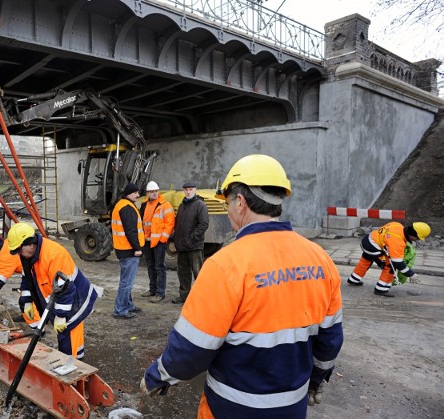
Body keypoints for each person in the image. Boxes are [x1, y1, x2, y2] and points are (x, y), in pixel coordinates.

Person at [141, 154, 343, 418]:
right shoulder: (320, 259)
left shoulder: (225, 265)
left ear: (240, 202)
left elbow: (193, 348)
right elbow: (330, 340)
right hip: (292, 407)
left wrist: (160, 376)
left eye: (226, 204)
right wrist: (315, 379)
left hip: (231, 407)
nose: (227, 211)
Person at [0, 223, 99, 359]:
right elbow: (27, 278)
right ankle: (78, 361)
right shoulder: (28, 254)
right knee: (72, 337)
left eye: (20, 250)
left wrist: (61, 316)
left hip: (75, 299)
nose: (19, 255)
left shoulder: (53, 255)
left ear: (30, 244)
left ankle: (72, 367)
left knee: (67, 336)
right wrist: (27, 301)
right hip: (62, 297)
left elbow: (66, 289)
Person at [347, 221, 430, 297]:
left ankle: (353, 279)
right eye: (418, 238)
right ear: (413, 235)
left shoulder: (397, 225)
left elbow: (386, 237)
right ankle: (381, 289)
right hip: (373, 247)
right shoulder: (398, 242)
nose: (417, 240)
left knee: (366, 260)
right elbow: (397, 263)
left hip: (368, 240)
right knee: (390, 266)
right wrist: (411, 274)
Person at [171, 181, 208, 304]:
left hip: (194, 246)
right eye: (186, 190)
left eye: (191, 189)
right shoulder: (182, 206)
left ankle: (201, 298)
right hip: (182, 246)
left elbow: (204, 224)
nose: (188, 192)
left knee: (198, 273)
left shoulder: (200, 205)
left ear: (195, 190)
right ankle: (184, 296)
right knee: (183, 273)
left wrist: (193, 238)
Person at [112, 183, 145, 319]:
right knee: (127, 282)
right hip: (128, 250)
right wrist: (137, 248)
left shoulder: (122, 205)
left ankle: (128, 305)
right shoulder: (127, 207)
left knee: (127, 280)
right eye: (135, 193)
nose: (138, 195)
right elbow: (131, 231)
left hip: (123, 248)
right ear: (129, 193)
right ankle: (120, 309)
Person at [140, 181, 175, 303]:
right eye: (151, 192)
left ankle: (160, 292)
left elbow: (170, 223)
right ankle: (152, 290)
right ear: (147, 193)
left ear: (158, 192)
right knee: (150, 265)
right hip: (147, 240)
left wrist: (163, 239)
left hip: (159, 241)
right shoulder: (144, 204)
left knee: (159, 266)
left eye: (155, 191)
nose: (153, 193)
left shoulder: (165, 205)